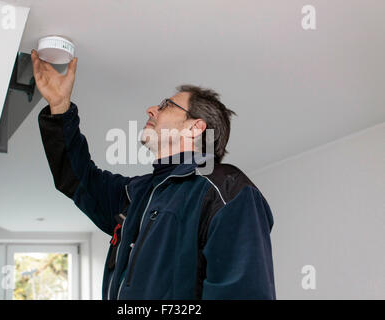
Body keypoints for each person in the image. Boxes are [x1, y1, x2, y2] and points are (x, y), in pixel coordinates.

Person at [32, 49, 276, 300]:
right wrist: (60, 108)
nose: (151, 109)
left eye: (166, 105)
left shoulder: (226, 191)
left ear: (195, 127)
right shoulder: (136, 194)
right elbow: (77, 178)